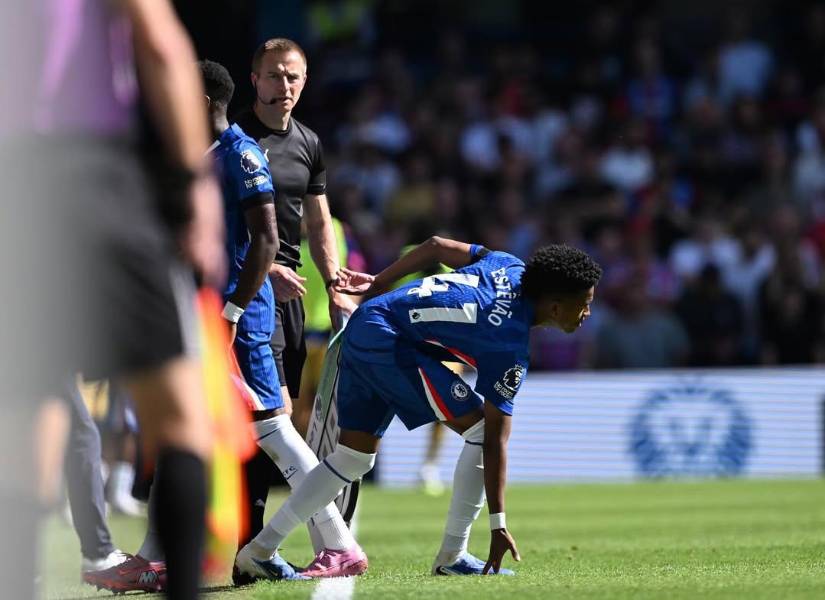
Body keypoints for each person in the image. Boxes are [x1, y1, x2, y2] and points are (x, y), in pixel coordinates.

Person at [0, 0, 225, 598]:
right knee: (179, 416)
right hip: (93, 176)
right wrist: (192, 184)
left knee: (31, 420)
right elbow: (158, 42)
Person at [236, 237, 602, 577]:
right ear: (555, 306)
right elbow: (495, 440)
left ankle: (260, 550)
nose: (587, 312)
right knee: (478, 432)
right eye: (584, 303)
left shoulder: (507, 264)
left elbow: (437, 246)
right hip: (387, 341)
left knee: (352, 458)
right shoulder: (509, 345)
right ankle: (453, 555)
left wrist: (379, 283)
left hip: (370, 322)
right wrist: (498, 522)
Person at [234, 37, 359, 557]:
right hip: (243, 292)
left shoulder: (308, 142)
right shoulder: (235, 140)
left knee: (276, 417)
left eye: (294, 77)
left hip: (285, 298)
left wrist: (334, 282)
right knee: (267, 416)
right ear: (254, 78)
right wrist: (264, 274)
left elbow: (318, 221)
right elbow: (220, 227)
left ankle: (258, 543)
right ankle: (254, 537)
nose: (284, 85)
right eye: (275, 75)